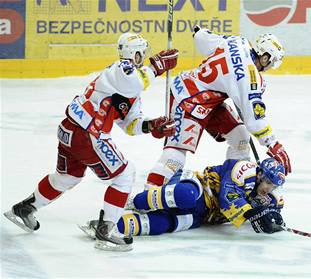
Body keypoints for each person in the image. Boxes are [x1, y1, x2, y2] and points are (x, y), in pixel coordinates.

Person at [3, 33, 179, 252]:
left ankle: (25, 208)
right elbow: (135, 81)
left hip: (72, 130)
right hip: (88, 134)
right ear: (134, 54)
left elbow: (130, 124)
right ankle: (106, 230)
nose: (143, 57)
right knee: (125, 175)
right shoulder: (121, 69)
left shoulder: (131, 86)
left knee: (66, 177)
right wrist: (157, 66)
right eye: (141, 53)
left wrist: (152, 126)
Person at [145, 26, 292, 190]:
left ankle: (233, 187)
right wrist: (273, 144)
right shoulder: (251, 79)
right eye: (271, 62)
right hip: (188, 98)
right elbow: (254, 121)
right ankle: (148, 195)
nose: (270, 67)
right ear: (265, 58)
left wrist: (200, 31)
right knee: (176, 154)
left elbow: (201, 39)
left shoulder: (238, 41)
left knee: (241, 138)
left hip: (210, 101)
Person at [79, 157, 286, 238]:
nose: (269, 189)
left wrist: (272, 217)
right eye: (268, 182)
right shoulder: (245, 169)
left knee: (166, 223)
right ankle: (136, 201)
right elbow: (227, 200)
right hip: (196, 187)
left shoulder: (269, 197)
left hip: (203, 216)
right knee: (185, 196)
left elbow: (273, 211)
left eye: (273, 185)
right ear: (259, 174)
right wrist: (253, 214)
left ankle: (110, 226)